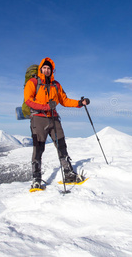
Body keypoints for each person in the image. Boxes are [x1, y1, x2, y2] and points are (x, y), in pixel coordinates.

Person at [24, 57, 90, 189]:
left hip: (53, 118)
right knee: (38, 148)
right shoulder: (33, 82)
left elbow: (64, 100)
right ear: (41, 69)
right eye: (44, 68)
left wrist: (79, 103)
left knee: (61, 145)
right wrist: (46, 106)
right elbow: (28, 100)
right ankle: (36, 178)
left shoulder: (56, 85)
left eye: (49, 68)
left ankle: (68, 173)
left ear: (51, 70)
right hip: (38, 118)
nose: (47, 70)